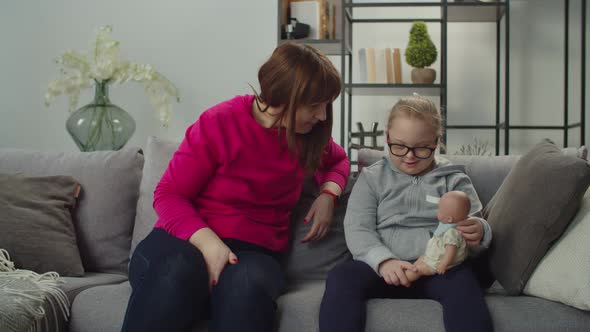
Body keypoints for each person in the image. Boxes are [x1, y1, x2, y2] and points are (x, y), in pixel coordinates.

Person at [121, 42, 350, 332]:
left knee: (247, 284)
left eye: (327, 105)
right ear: (284, 95)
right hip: (182, 242)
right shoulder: (219, 121)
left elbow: (339, 161)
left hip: (256, 254)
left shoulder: (308, 137)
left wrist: (329, 194)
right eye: (315, 105)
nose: (322, 116)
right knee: (176, 270)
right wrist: (209, 244)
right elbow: (169, 194)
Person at [319, 96, 493, 332]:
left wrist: (481, 231)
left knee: (464, 284)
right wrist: (384, 261)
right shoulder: (372, 178)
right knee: (341, 278)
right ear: (388, 139)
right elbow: (358, 228)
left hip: (437, 268)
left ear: (436, 141)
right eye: (399, 146)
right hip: (383, 269)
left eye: (421, 148)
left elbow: (473, 223)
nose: (409, 156)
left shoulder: (453, 178)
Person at [406, 190, 471, 282]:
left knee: (418, 270)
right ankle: (412, 270)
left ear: (449, 219)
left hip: (438, 263)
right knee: (419, 261)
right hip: (433, 257)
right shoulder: (446, 226)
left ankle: (404, 280)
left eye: (440, 210)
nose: (437, 211)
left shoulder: (452, 233)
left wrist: (444, 264)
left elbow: (451, 251)